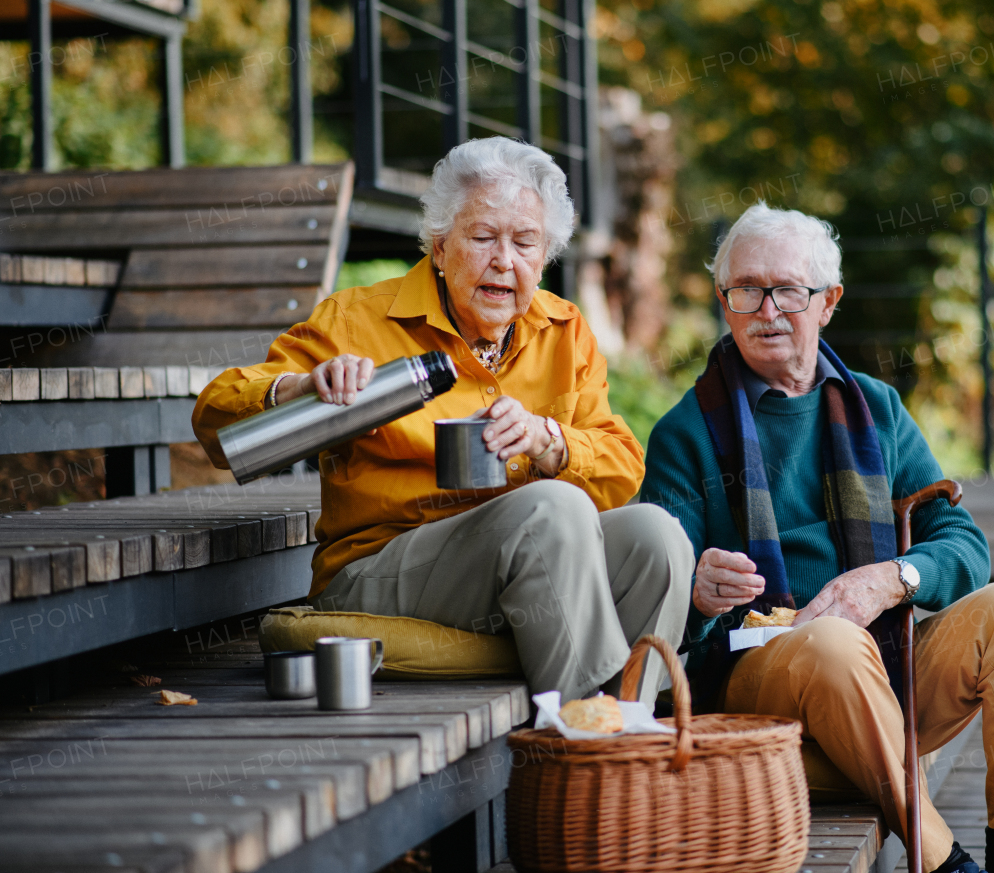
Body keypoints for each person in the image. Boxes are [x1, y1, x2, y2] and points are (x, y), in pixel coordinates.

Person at [193, 137, 692, 707]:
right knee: (554, 509)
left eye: (525, 242)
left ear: (545, 255)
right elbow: (215, 420)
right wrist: (302, 386)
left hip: (531, 561)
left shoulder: (564, 329)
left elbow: (622, 469)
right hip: (382, 568)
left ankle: (631, 723)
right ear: (440, 245)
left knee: (657, 538)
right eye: (483, 237)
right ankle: (584, 738)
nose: (504, 260)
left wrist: (548, 440)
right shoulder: (358, 321)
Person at [640, 203, 994, 873]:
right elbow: (650, 599)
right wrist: (696, 587)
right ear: (724, 304)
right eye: (746, 290)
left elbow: (961, 539)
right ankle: (946, 863)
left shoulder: (877, 408)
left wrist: (891, 578)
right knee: (832, 640)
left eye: (788, 290)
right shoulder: (685, 432)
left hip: (884, 672)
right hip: (758, 693)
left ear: (828, 301)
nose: (767, 309)